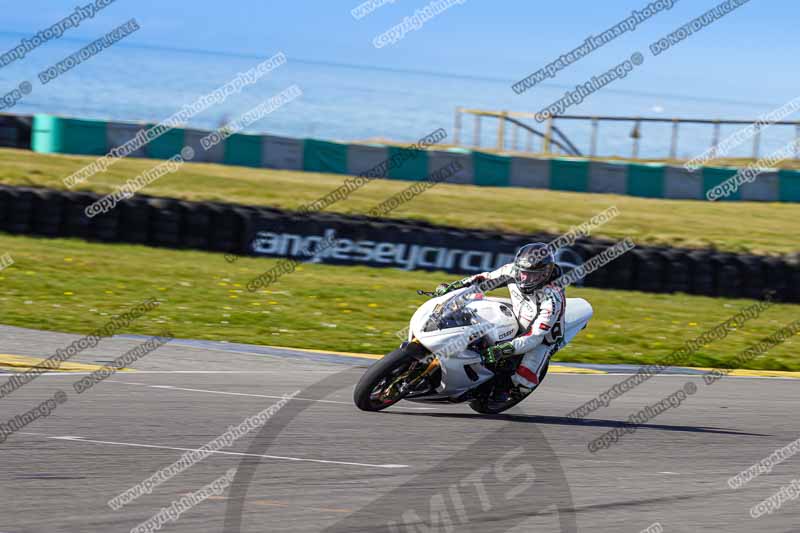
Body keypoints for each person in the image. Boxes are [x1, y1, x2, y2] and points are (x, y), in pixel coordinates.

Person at [434, 243, 566, 394]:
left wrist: (504, 349)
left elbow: (534, 336)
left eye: (532, 275)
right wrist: (454, 287)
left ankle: (503, 391)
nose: (525, 278)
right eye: (523, 273)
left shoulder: (552, 298)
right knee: (471, 310)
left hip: (543, 337)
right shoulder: (512, 270)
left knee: (523, 382)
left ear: (545, 274)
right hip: (517, 313)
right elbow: (483, 279)